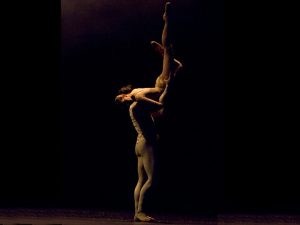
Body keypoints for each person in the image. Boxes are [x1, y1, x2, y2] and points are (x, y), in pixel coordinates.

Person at [115, 2, 182, 222]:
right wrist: (162, 97)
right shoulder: (136, 99)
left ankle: (136, 212)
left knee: (141, 179)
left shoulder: (135, 104)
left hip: (140, 144)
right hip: (145, 143)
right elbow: (157, 106)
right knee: (151, 179)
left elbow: (156, 114)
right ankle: (140, 212)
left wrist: (161, 98)